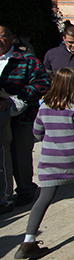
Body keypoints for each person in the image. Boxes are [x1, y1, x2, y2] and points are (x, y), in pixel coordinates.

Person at [15, 68, 74, 260]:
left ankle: (28, 241)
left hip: (48, 161)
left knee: (43, 199)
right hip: (71, 159)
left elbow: (37, 132)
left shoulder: (45, 105)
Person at [0, 24, 51, 207]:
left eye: (2, 36)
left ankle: (25, 189)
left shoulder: (26, 59)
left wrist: (16, 98)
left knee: (19, 155)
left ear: (11, 37)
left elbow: (43, 84)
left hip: (22, 117)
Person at [0, 86, 27, 214]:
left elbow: (21, 105)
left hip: (2, 143)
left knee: (4, 172)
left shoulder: (4, 107)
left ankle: (6, 199)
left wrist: (6, 96)